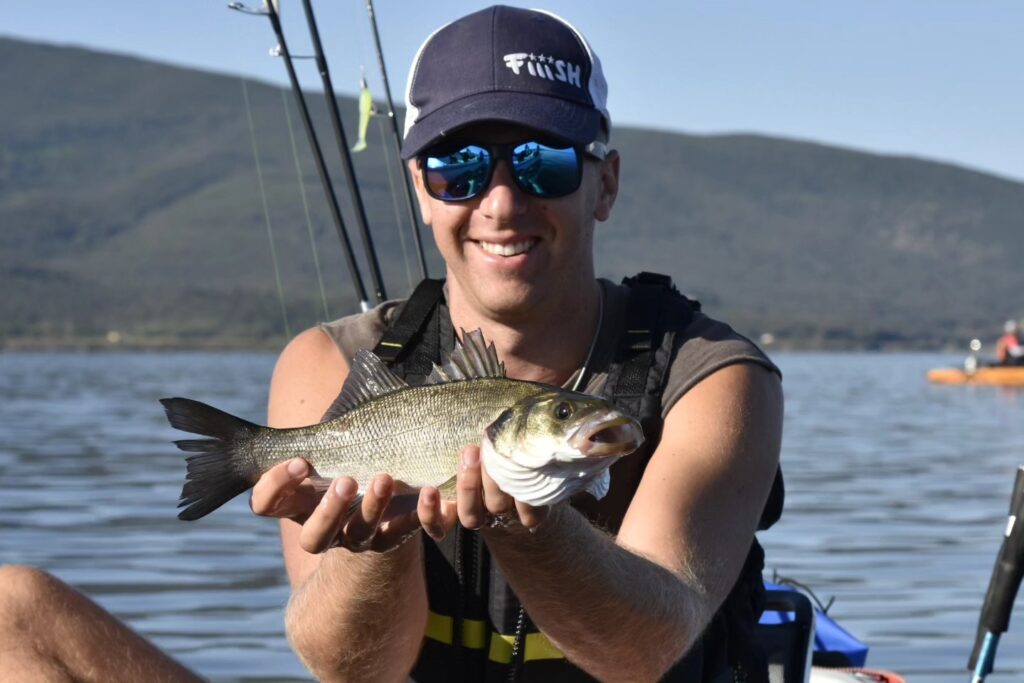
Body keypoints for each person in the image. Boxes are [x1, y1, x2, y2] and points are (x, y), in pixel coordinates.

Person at [0, 6, 783, 682]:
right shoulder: (329, 362)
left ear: (604, 183)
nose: (502, 203)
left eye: (543, 163)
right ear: (419, 186)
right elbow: (353, 670)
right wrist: (369, 546)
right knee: (14, 608)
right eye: (459, 168)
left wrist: (519, 517)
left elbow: (641, 652)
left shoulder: (710, 376)